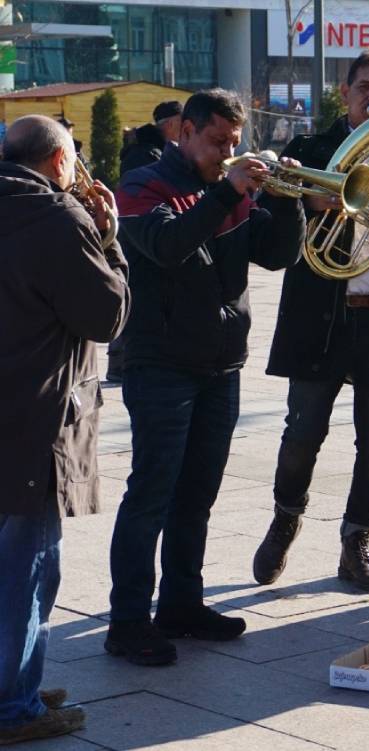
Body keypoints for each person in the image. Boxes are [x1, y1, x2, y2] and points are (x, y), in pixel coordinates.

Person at [106, 89, 305, 666]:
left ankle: (181, 606)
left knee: (197, 496)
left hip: (221, 365)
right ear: (185, 132)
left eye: (234, 142)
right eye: (217, 141)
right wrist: (226, 191)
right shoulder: (142, 186)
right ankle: (127, 622)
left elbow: (279, 255)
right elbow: (167, 246)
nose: (227, 152)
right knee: (151, 494)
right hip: (161, 364)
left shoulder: (230, 192)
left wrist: (287, 201)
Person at [251, 50, 369, 593]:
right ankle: (285, 518)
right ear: (345, 92)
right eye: (365, 88)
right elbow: (269, 236)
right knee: (301, 435)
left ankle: (356, 542)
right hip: (319, 321)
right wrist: (304, 206)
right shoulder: (310, 151)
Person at [0, 115, 129, 743]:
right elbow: (106, 315)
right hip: (34, 419)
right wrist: (109, 239)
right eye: (74, 160)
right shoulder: (56, 217)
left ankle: (12, 680)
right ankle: (14, 705)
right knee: (27, 565)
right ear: (58, 161)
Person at [107, 100, 185, 383]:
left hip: (137, 233)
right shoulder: (147, 155)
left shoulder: (147, 149)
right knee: (134, 298)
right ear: (171, 124)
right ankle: (119, 362)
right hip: (138, 236)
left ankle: (120, 361)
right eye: (183, 123)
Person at [119, 100, 183, 177]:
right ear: (170, 124)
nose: (186, 129)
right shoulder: (144, 157)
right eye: (182, 123)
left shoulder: (154, 152)